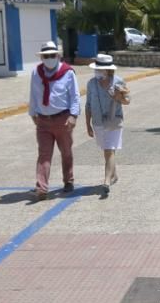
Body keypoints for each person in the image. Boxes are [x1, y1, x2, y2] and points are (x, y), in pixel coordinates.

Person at [28, 41, 80, 201]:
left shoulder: (68, 72)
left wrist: (73, 115)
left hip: (62, 119)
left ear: (58, 56)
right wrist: (33, 114)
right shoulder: (36, 73)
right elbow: (33, 94)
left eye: (52, 55)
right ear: (42, 57)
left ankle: (68, 180)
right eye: (46, 56)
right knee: (44, 154)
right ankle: (42, 188)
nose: (49, 58)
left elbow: (75, 96)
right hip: (43, 120)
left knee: (66, 152)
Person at [84, 53, 130, 195]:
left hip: (114, 121)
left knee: (109, 151)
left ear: (108, 70)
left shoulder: (118, 82)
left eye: (100, 69)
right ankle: (114, 175)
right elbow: (88, 105)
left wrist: (118, 97)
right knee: (107, 152)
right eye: (96, 69)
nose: (97, 71)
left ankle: (106, 182)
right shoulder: (91, 83)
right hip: (97, 122)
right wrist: (88, 125)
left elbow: (127, 101)